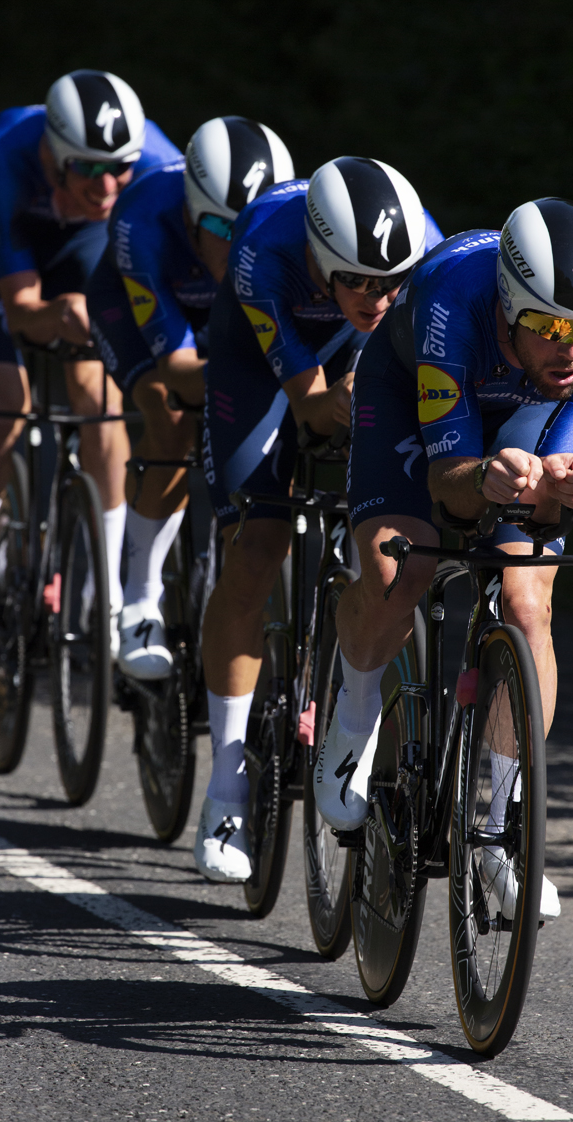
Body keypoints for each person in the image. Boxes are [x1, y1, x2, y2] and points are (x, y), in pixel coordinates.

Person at [315, 196, 573, 921]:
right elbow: (449, 489)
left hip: (521, 411)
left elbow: (551, 502)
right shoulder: (451, 302)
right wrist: (484, 478)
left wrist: (568, 483)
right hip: (409, 396)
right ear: (507, 307)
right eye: (553, 328)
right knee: (402, 571)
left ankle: (498, 834)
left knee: (528, 606)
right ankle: (354, 715)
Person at [195, 155, 445, 882]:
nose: (377, 295)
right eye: (359, 281)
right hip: (262, 352)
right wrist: (328, 400)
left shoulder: (418, 252)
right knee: (259, 538)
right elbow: (306, 401)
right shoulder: (266, 248)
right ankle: (225, 788)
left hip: (369, 356)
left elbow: (408, 350)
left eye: (390, 282)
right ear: (318, 258)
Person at [0, 69, 180, 675]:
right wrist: (54, 312)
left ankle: (109, 596)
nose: (108, 183)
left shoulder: (160, 161)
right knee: (4, 401)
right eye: (88, 167)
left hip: (83, 246)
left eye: (120, 167)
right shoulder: (4, 150)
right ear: (52, 152)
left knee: (100, 399)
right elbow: (24, 308)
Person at [87, 116, 294, 679]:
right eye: (220, 227)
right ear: (187, 211)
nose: (238, 244)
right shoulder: (144, 218)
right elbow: (180, 372)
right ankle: (137, 601)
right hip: (142, 309)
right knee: (169, 411)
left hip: (226, 317)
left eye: (251, 230)